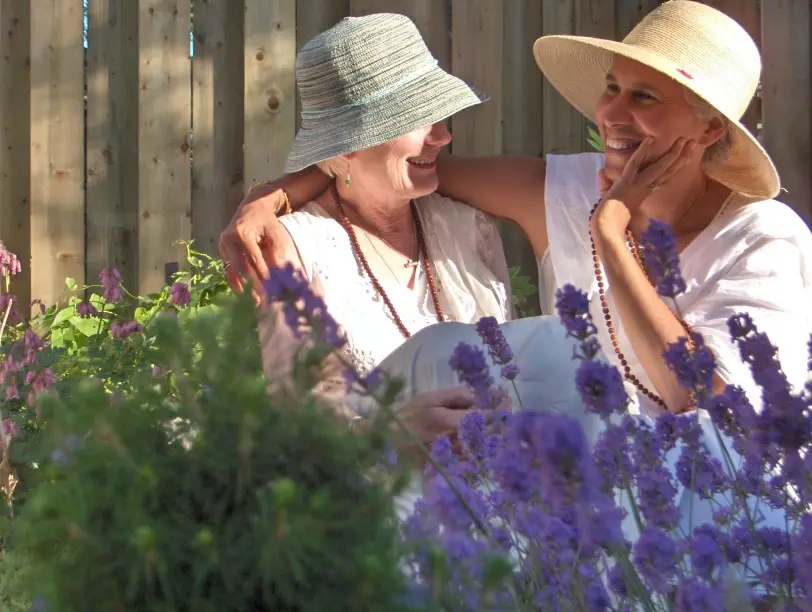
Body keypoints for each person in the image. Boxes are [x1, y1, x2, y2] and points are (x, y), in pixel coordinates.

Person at [224, 1, 812, 423]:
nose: (611, 114)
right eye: (612, 87)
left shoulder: (762, 237)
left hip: (708, 514)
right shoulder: (561, 187)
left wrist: (611, 232)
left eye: (645, 97)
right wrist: (270, 198)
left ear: (710, 126)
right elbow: (401, 171)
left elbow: (711, 402)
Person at [252, 13, 514, 453]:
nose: (443, 136)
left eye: (441, 117)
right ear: (350, 142)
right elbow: (292, 421)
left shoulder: (470, 227)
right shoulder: (298, 249)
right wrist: (385, 437)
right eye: (420, 120)